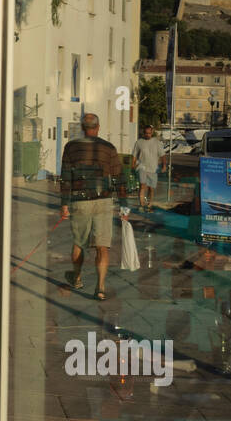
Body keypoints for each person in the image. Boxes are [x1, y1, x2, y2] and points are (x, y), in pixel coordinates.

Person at [59, 113, 129, 301]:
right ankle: (100, 287)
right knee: (102, 246)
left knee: (79, 242)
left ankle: (78, 277)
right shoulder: (108, 148)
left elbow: (66, 177)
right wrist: (124, 205)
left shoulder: (71, 147)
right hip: (103, 201)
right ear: (98, 127)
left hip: (80, 202)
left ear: (83, 127)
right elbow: (118, 177)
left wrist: (64, 203)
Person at [131, 124, 166, 212]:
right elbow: (134, 155)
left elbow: (163, 155)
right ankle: (142, 205)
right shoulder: (139, 142)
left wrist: (164, 165)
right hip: (141, 166)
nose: (148, 135)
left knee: (151, 188)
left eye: (149, 133)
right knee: (143, 185)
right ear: (143, 133)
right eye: (146, 133)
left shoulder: (157, 142)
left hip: (153, 168)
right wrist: (133, 164)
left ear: (152, 133)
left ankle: (149, 205)